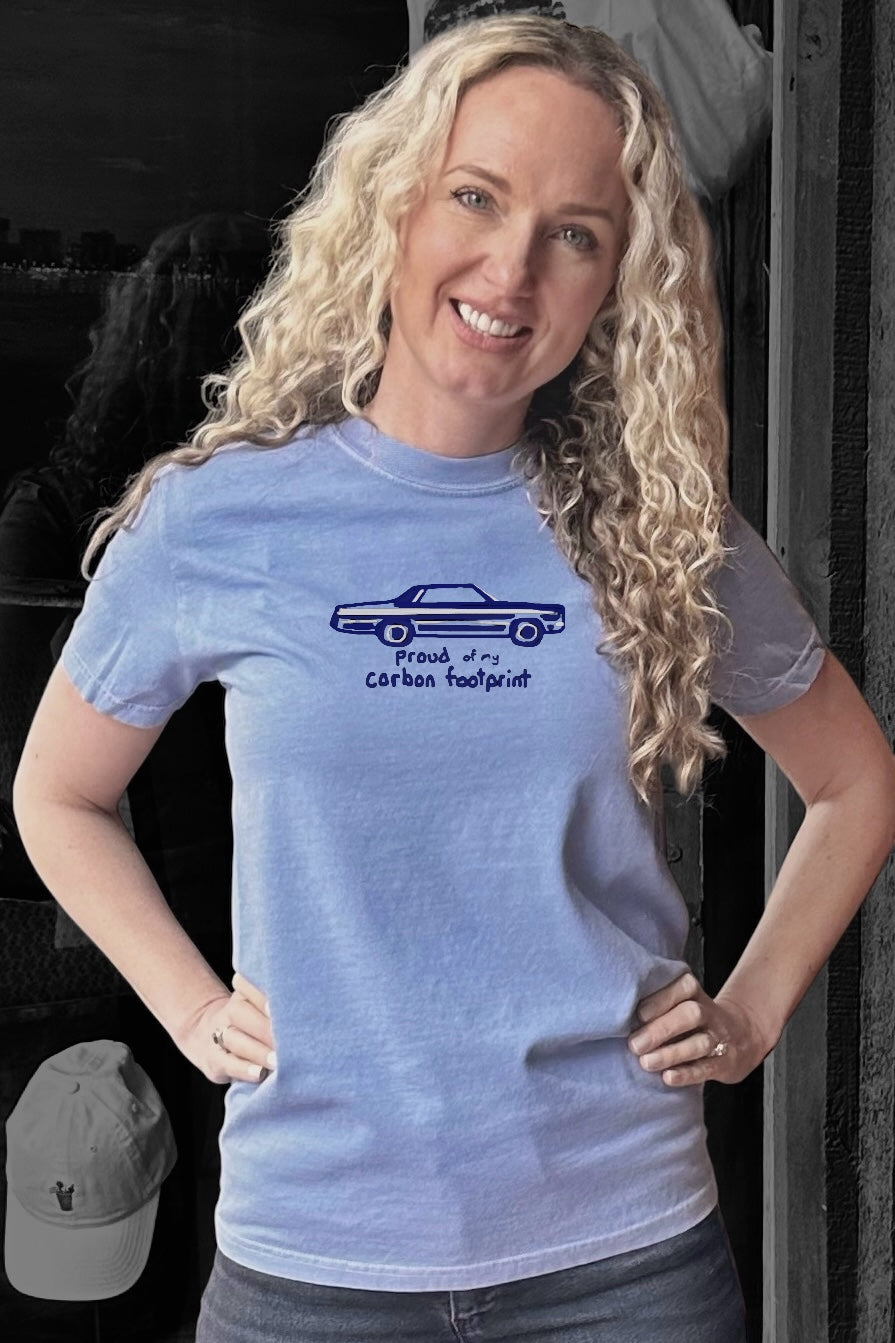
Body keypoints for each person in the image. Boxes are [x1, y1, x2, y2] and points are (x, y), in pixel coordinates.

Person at [12, 16, 895, 1342]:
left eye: (575, 234)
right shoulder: (220, 521)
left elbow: (854, 781)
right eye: (476, 197)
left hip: (624, 1259)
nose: (512, 269)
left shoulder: (663, 528)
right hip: (315, 1256)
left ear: (614, 284)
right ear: (397, 206)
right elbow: (59, 795)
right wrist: (189, 1007)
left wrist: (754, 1012)